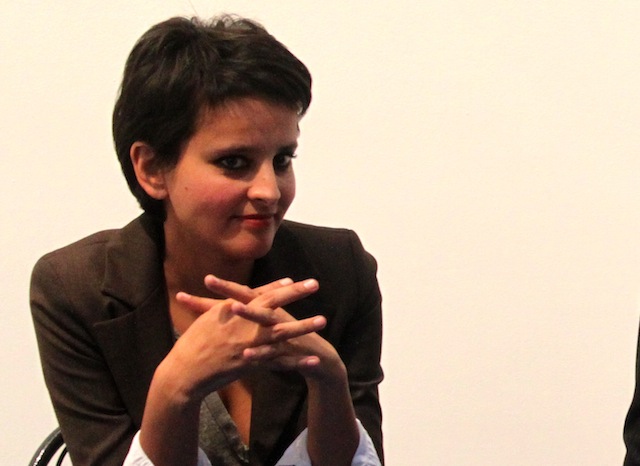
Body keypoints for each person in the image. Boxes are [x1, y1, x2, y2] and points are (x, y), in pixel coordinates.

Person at [30, 15, 383, 466]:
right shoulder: (76, 289)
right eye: (234, 162)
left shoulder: (339, 269)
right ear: (151, 169)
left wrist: (329, 378)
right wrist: (176, 385)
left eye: (282, 159)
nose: (269, 191)